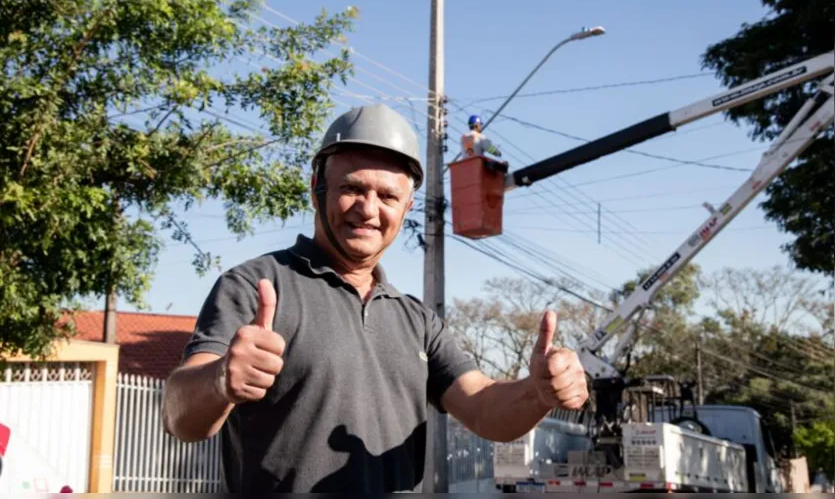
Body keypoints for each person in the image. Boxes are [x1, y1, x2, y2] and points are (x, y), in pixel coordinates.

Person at [161, 103, 588, 493]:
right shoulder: (255, 285)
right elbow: (179, 416)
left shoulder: (416, 321)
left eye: (387, 197)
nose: (368, 209)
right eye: (352, 188)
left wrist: (539, 392)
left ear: (406, 208)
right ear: (317, 187)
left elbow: (482, 407)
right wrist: (220, 379)